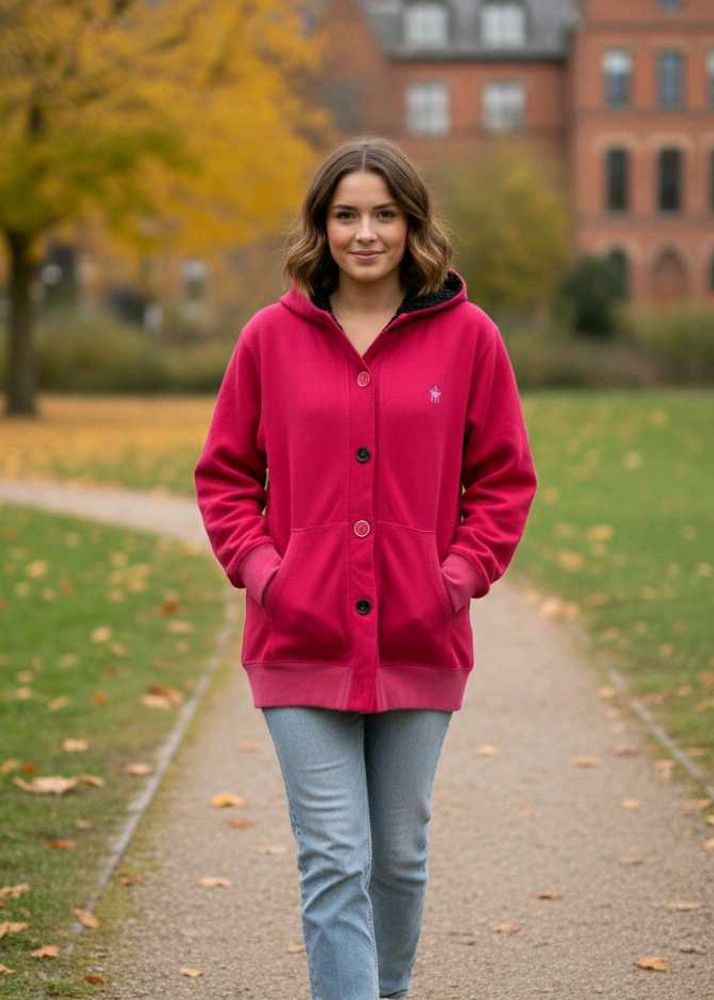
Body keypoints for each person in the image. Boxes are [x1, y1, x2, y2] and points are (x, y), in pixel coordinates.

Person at [194, 135, 538, 1000]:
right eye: (346, 214)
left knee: (398, 854)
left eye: (384, 213)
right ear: (321, 226)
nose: (365, 233)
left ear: (413, 224)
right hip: (297, 636)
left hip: (421, 637)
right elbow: (225, 475)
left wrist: (455, 577)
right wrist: (266, 571)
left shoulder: (470, 339)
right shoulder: (269, 339)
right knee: (334, 857)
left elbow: (503, 480)